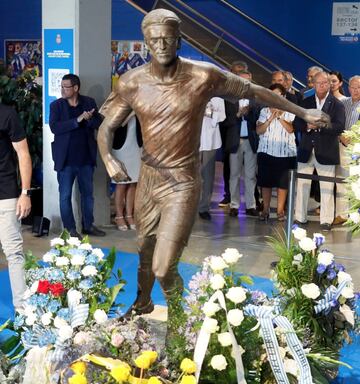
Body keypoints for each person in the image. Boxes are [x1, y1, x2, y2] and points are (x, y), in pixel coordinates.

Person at [97, 9, 330, 341]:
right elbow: (106, 128)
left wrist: (302, 110)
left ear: (179, 39)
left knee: (165, 266)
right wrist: (107, 157)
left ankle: (180, 321)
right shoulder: (132, 82)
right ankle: (143, 301)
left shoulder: (203, 76)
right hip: (149, 178)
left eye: (168, 38)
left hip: (183, 180)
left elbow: (255, 92)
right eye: (154, 39)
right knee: (145, 249)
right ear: (146, 41)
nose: (161, 44)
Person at [49, 74, 105, 238]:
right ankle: (70, 230)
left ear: (76, 88)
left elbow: (98, 124)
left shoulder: (89, 102)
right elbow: (55, 128)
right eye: (62, 86)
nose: (63, 90)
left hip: (86, 159)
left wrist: (88, 120)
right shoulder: (56, 106)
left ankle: (88, 225)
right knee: (65, 196)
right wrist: (77, 120)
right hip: (65, 160)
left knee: (88, 195)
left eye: (66, 87)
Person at [294, 71, 345, 231]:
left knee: (327, 186)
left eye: (325, 83)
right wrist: (307, 126)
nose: (322, 85)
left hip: (326, 150)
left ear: (330, 84)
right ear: (313, 84)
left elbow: (339, 126)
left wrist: (321, 125)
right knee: (302, 184)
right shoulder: (306, 101)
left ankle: (326, 220)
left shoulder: (337, 104)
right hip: (306, 148)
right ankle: (299, 217)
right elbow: (297, 123)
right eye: (318, 83)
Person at [0, 103, 32, 313]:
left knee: (13, 253)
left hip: (6, 194)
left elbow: (23, 154)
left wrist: (25, 193)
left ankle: (23, 308)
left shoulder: (7, 114)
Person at [256, 84, 297, 221]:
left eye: (278, 95)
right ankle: (266, 210)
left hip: (285, 153)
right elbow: (259, 130)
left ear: (283, 96)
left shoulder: (290, 111)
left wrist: (279, 117)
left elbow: (290, 129)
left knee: (282, 184)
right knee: (265, 183)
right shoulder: (264, 111)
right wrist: (270, 118)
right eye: (272, 94)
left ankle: (280, 211)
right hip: (266, 151)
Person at [228, 70, 260, 217]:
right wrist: (238, 115)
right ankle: (234, 205)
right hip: (236, 140)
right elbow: (225, 120)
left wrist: (249, 114)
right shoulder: (230, 98)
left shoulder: (255, 98)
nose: (245, 83)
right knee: (234, 174)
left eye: (247, 81)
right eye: (242, 80)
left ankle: (250, 205)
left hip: (250, 140)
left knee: (250, 175)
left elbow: (260, 119)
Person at [334, 75, 360, 224]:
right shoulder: (342, 103)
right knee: (341, 181)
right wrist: (340, 135)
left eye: (359, 88)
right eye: (353, 87)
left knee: (357, 184)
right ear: (348, 88)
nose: (356, 91)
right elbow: (335, 122)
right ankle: (342, 215)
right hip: (342, 146)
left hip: (358, 148)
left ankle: (356, 216)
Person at [112, 114, 142, 230]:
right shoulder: (118, 106)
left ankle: (129, 214)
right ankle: (119, 216)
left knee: (133, 183)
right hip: (121, 148)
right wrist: (130, 113)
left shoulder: (137, 104)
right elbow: (116, 125)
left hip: (136, 146)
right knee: (122, 183)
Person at [198, 97, 226, 220]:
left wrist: (209, 113)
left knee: (208, 177)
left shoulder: (218, 98)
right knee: (189, 176)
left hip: (210, 140)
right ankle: (188, 205)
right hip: (192, 139)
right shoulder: (194, 90)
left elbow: (222, 116)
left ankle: (204, 207)